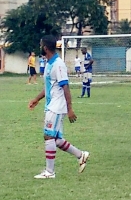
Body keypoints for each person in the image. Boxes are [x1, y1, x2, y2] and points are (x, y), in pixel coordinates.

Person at [28, 35, 90, 179]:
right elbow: (49, 86)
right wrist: (37, 99)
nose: (39, 47)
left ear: (45, 48)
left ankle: (50, 172)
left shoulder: (58, 64)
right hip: (51, 105)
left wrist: (70, 109)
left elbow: (65, 87)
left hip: (57, 107)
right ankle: (81, 155)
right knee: (55, 139)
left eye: (40, 45)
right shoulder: (49, 63)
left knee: (48, 136)